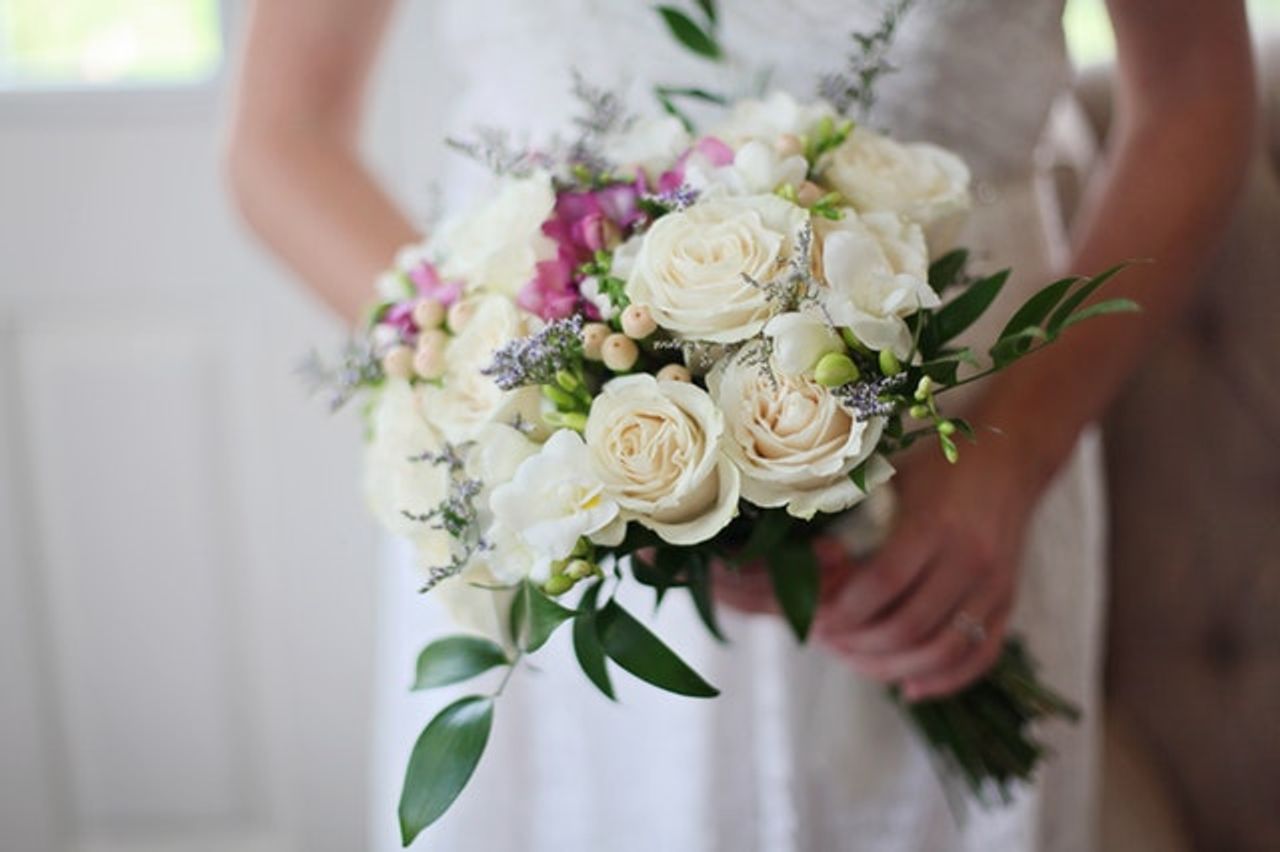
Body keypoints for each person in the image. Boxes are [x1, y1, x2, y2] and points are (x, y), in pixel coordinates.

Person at [226, 1, 1255, 849]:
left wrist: (1010, 460)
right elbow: (283, 139)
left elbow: (1195, 94)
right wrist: (534, 409)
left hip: (967, 455)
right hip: (556, 487)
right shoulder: (548, 432)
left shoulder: (993, 467)